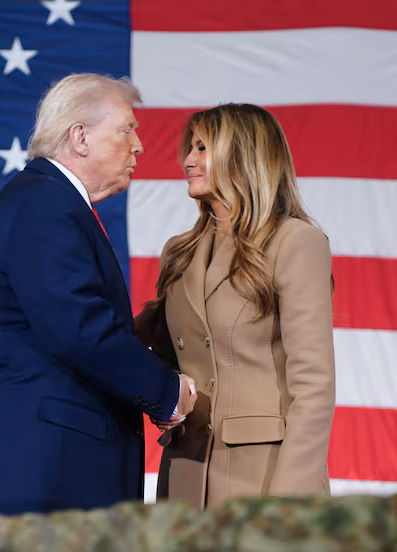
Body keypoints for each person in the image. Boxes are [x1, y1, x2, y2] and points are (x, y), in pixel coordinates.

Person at [0, 74, 197, 520]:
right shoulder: (46, 206)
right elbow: (79, 329)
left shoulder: (48, 202)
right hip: (36, 471)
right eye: (127, 128)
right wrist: (166, 392)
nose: (139, 145)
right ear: (81, 137)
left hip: (38, 466)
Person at [135, 103, 335, 509]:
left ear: (243, 156)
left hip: (263, 478)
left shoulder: (296, 242)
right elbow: (150, 349)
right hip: (183, 476)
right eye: (190, 148)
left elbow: (314, 389)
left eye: (202, 148)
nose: (188, 161)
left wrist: (287, 505)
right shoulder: (179, 252)